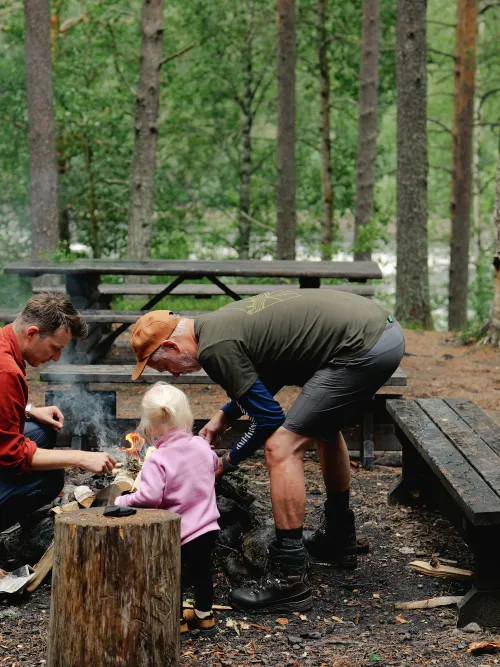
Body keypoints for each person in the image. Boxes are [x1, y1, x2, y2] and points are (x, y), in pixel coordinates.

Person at [129, 290, 405, 613]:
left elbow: (270, 417)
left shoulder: (214, 349)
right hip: (380, 333)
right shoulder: (218, 325)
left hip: (363, 346)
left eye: (165, 367)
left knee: (280, 445)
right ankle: (339, 539)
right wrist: (223, 416)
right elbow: (272, 375)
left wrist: (225, 463)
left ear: (172, 347)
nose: (174, 374)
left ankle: (289, 577)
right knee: (325, 429)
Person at [0, 294, 117, 533]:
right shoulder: (7, 372)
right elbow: (11, 455)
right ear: (32, 333)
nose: (56, 357)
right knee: (51, 478)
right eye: (55, 348)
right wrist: (80, 457)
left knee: (42, 431)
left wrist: (29, 410)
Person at [115, 382, 220, 637]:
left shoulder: (158, 459)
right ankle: (205, 617)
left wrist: (123, 501)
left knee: (175, 578)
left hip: (180, 533)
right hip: (208, 528)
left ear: (149, 425)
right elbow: (214, 465)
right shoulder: (201, 445)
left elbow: (150, 496)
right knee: (203, 573)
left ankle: (176, 621)